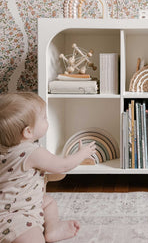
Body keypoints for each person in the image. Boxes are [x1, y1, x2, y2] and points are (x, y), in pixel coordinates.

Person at [0, 92, 96, 243]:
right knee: (33, 238)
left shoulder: (5, 149)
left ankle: (53, 228)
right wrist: (82, 154)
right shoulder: (33, 153)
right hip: (16, 216)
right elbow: (63, 166)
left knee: (49, 202)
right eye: (44, 117)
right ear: (28, 131)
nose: (47, 120)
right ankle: (48, 230)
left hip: (17, 203)